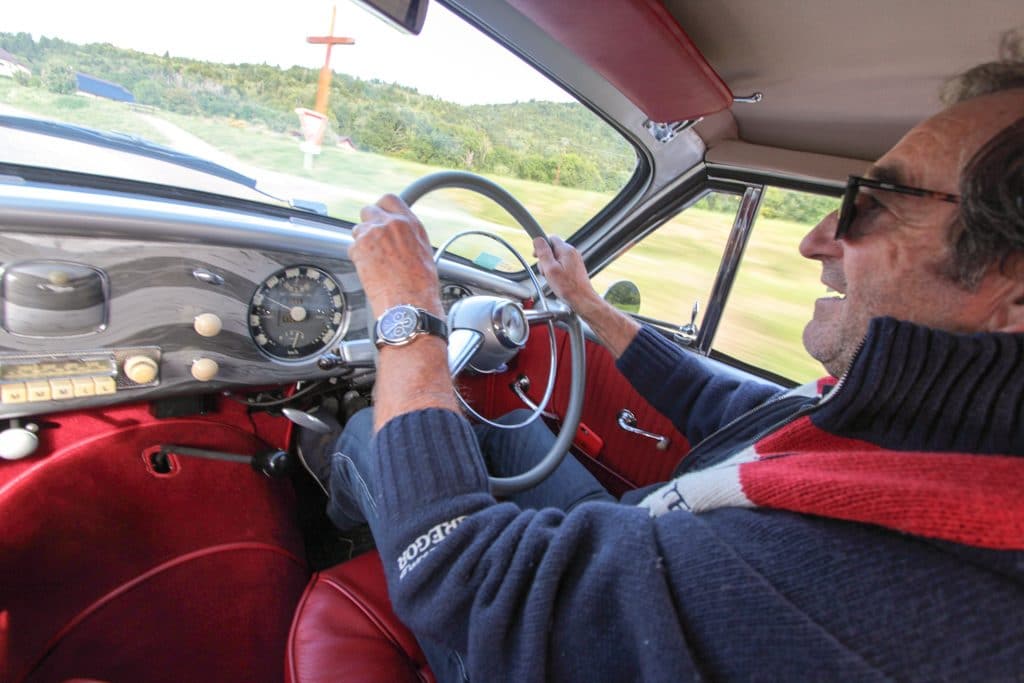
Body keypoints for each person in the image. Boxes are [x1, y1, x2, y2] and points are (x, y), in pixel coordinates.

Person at [299, 54, 1024, 680]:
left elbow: (463, 576)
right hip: (646, 544)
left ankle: (324, 507)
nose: (816, 239)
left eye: (874, 204)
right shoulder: (922, 430)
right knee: (512, 426)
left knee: (368, 431)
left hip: (510, 643)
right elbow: (727, 403)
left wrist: (409, 314)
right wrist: (584, 301)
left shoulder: (914, 595)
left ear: (1011, 291)